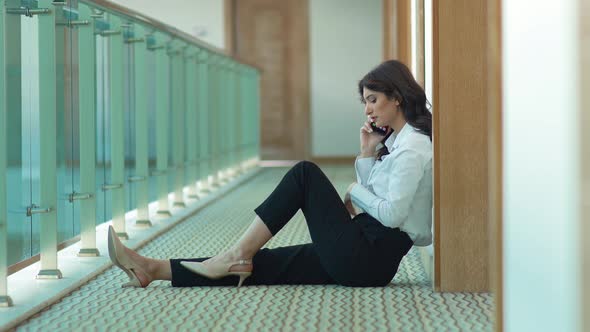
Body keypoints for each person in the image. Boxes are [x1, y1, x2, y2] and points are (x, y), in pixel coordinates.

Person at [108, 60, 433, 288]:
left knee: (304, 174)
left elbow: (391, 215)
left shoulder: (412, 148)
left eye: (373, 100)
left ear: (397, 96)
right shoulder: (399, 143)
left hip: (368, 258)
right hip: (363, 250)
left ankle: (238, 252)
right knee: (269, 264)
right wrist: (366, 154)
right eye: (366, 102)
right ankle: (153, 270)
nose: (368, 110)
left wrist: (352, 189)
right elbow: (374, 198)